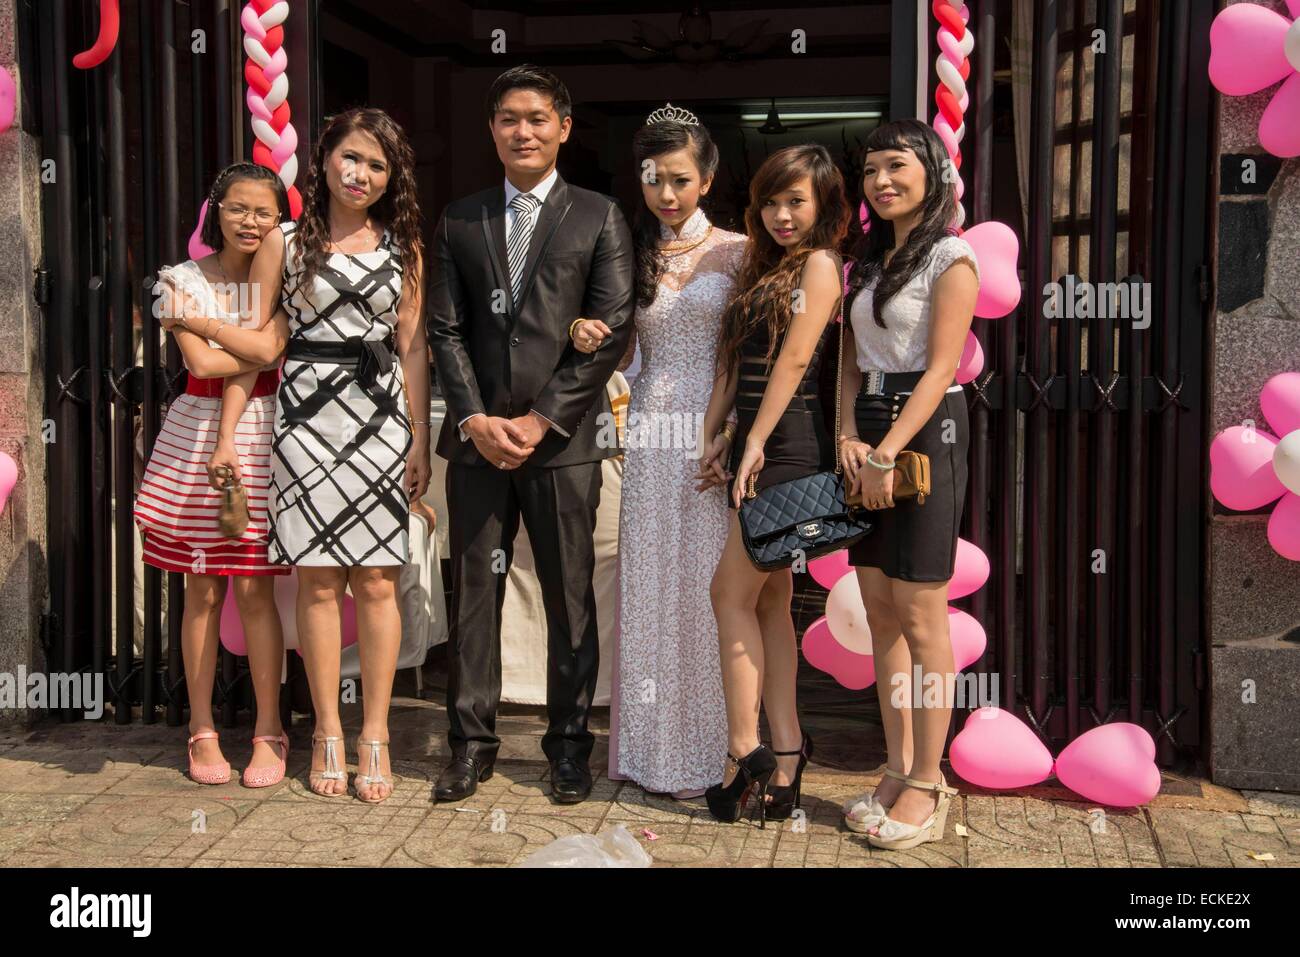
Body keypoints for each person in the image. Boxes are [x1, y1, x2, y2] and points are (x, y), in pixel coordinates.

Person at [428, 64, 635, 804]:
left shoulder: (598, 216)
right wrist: (476, 417)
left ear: (564, 127)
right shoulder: (460, 218)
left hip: (562, 444)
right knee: (474, 598)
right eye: (510, 118)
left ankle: (568, 746)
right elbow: (445, 329)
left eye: (538, 118)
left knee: (568, 597)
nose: (524, 131)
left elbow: (609, 331)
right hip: (478, 443)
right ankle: (469, 744)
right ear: (492, 129)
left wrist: (542, 416)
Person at [215, 108, 431, 803]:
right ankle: (327, 731)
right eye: (351, 158)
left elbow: (413, 347)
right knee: (316, 582)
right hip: (305, 422)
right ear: (325, 161)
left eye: (376, 164)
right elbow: (258, 341)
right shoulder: (286, 239)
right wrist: (227, 431)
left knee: (376, 581)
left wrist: (420, 436)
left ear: (390, 176)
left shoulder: (405, 246)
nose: (361, 174)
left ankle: (375, 733)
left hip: (379, 418)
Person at [572, 104, 744, 799]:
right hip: (649, 427)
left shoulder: (739, 249)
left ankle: (715, 751)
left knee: (710, 587)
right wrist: (593, 334)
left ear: (707, 176)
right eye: (652, 180)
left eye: (679, 179)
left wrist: (729, 427)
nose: (666, 195)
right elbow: (627, 346)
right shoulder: (632, 252)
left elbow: (750, 350)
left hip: (713, 427)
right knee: (648, 581)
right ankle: (649, 749)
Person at [837, 119, 979, 849]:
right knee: (880, 613)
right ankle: (895, 764)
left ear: (932, 173)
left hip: (924, 432)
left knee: (923, 616)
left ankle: (930, 780)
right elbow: (850, 361)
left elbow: (940, 369)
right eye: (870, 172)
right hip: (866, 430)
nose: (882, 181)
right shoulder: (863, 263)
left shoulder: (952, 256)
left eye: (897, 166)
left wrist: (887, 449)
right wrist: (847, 437)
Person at [700, 145, 851, 826]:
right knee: (769, 599)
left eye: (797, 201)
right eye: (771, 200)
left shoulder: (820, 265)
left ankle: (743, 750)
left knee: (728, 591)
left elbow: (795, 358)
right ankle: (787, 751)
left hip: (789, 446)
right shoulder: (763, 266)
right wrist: (718, 432)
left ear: (823, 207)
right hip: (757, 443)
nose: (782, 214)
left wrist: (754, 440)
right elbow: (740, 360)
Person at [135, 162, 292, 787]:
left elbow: (266, 354)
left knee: (255, 590)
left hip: (265, 434)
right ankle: (200, 729)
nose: (251, 221)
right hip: (196, 436)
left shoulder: (280, 277)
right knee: (199, 590)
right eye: (238, 208)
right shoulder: (182, 276)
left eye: (264, 211)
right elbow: (205, 361)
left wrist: (196, 320)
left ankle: (269, 731)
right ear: (215, 210)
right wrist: (242, 341)